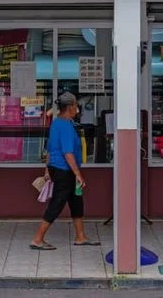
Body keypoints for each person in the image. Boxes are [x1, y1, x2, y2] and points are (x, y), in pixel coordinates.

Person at [30, 92, 100, 250]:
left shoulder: (56, 123)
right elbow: (67, 153)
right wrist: (78, 175)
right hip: (64, 170)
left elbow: (49, 149)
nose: (77, 108)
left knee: (76, 201)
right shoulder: (66, 126)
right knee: (57, 203)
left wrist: (47, 169)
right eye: (76, 105)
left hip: (57, 168)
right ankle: (37, 239)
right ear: (70, 107)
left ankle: (80, 236)